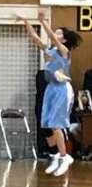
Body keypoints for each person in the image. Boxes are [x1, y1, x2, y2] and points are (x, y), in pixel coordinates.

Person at [18, 11, 82, 177]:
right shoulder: (51, 51)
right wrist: (26, 22)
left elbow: (52, 37)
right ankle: (55, 154)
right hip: (50, 89)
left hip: (62, 90)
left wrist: (42, 21)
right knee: (46, 124)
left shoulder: (64, 51)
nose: (55, 34)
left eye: (59, 33)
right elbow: (35, 38)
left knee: (55, 124)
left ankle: (65, 157)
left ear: (64, 39)